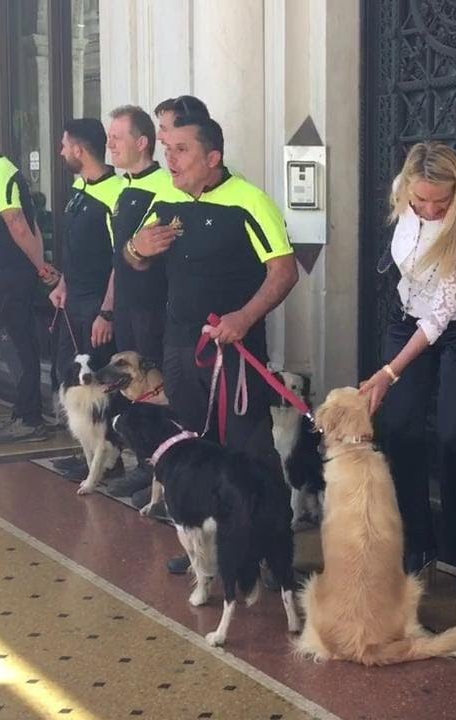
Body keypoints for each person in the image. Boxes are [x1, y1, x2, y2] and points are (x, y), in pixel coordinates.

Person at [126, 114, 299, 572]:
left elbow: (284, 270)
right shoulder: (165, 195)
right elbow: (134, 257)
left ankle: (273, 550)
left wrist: (243, 317)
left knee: (249, 451)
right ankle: (208, 550)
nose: (170, 158)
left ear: (213, 157)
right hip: (179, 346)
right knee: (190, 448)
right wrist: (137, 249)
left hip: (234, 351)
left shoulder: (250, 201)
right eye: (169, 149)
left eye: (181, 150)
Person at [358, 141, 456, 605]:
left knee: (454, 434)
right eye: (421, 202)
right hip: (405, 316)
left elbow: (439, 320)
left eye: (443, 201)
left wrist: (386, 374)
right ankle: (418, 542)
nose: (432, 210)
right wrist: (392, 375)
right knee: (399, 429)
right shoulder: (403, 189)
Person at [0, 119, 60, 443]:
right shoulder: (1, 170)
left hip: (10, 273)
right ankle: (24, 412)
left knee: (14, 343)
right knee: (17, 341)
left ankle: (30, 418)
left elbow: (17, 223)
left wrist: (39, 265)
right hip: (11, 271)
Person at [103, 104, 178, 501]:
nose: (109, 145)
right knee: (129, 389)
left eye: (117, 137)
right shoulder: (123, 188)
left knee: (153, 390)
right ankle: (143, 463)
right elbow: (120, 257)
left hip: (155, 307)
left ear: (142, 142)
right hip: (128, 307)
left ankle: (161, 472)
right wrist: (109, 307)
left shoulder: (165, 186)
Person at [47, 119, 125, 478]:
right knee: (68, 377)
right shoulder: (80, 188)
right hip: (72, 299)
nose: (62, 152)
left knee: (97, 385)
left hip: (96, 303)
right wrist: (62, 282)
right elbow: (75, 248)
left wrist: (106, 312)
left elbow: (118, 258)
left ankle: (110, 458)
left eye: (64, 145)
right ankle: (86, 453)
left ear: (79, 149)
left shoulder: (116, 192)